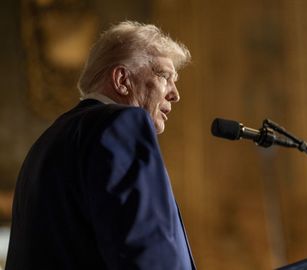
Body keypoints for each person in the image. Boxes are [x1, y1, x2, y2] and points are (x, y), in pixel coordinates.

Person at [6, 21, 195, 269]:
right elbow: (147, 253)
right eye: (165, 76)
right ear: (122, 80)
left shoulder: (46, 143)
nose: (175, 93)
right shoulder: (121, 123)